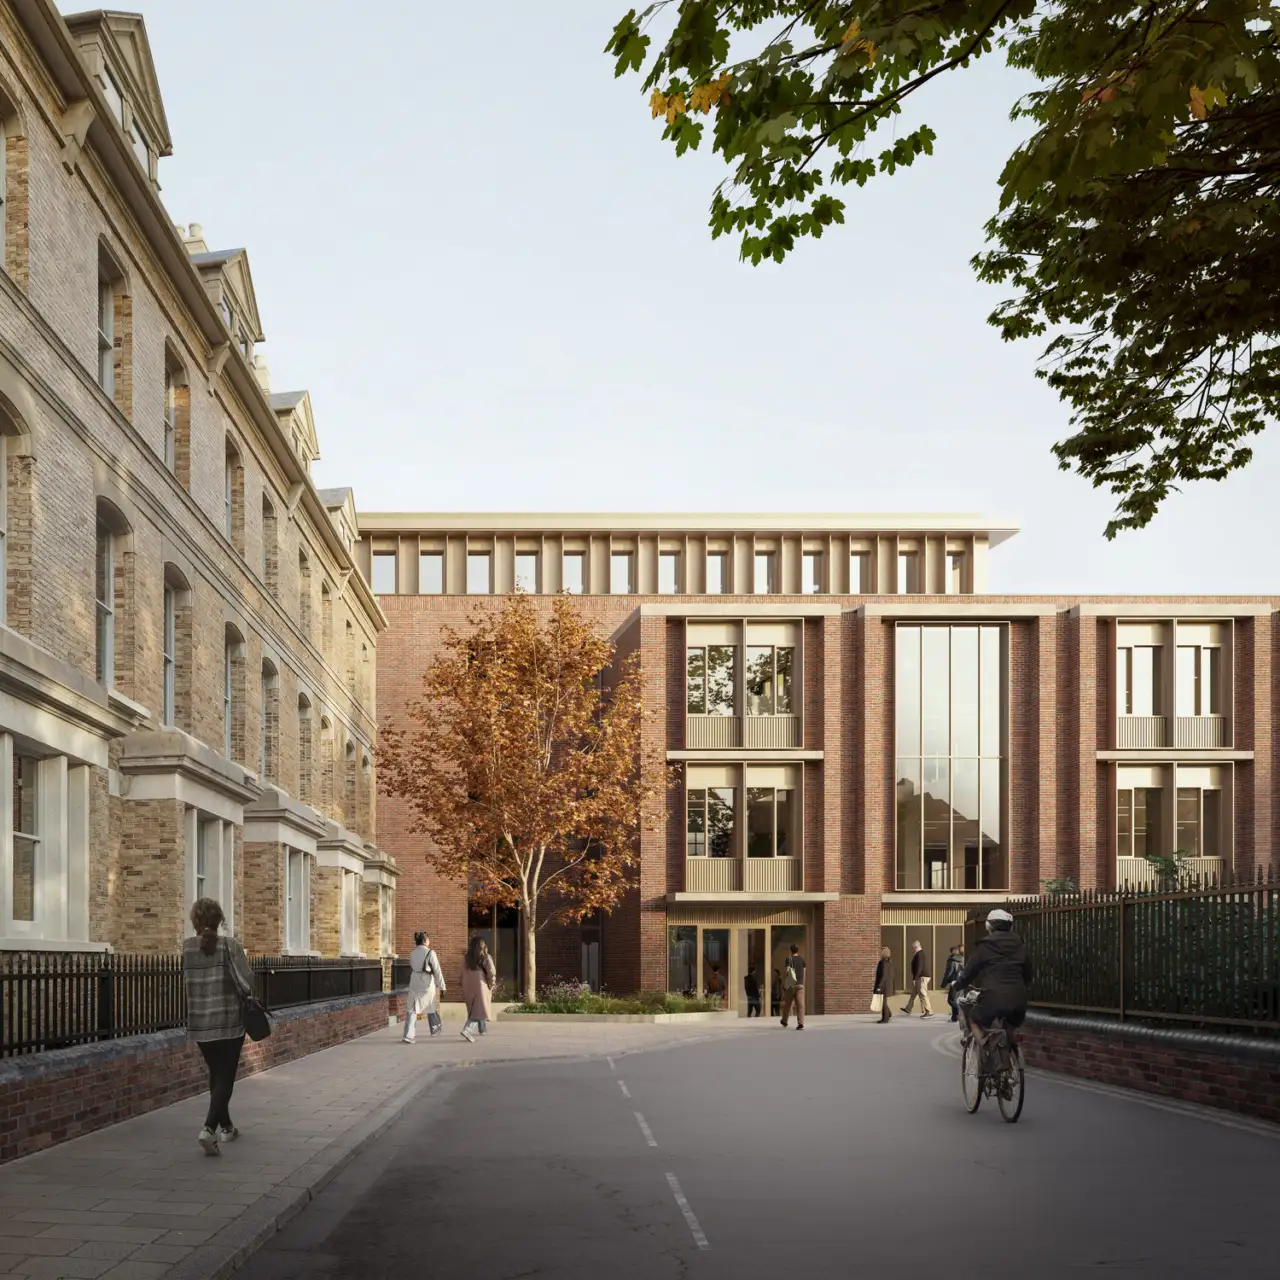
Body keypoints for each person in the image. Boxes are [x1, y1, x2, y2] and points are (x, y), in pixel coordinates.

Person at [182, 898, 255, 1157]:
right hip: (229, 1020)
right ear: (219, 919)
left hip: (200, 1022)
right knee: (225, 1076)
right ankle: (208, 1129)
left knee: (216, 1074)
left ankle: (227, 1127)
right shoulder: (230, 946)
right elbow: (247, 981)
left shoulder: (187, 948)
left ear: (195, 921)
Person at [953, 908, 1033, 1057]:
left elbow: (969, 973)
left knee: (974, 1018)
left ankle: (987, 1046)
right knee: (1010, 1026)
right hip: (1018, 999)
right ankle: (1009, 1058)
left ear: (988, 926)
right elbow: (1028, 974)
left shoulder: (985, 947)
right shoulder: (1020, 947)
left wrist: (957, 985)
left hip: (993, 997)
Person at [402, 931, 446, 1043]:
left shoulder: (412, 953)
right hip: (426, 981)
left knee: (412, 1008)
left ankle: (408, 1035)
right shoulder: (430, 952)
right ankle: (435, 1029)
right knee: (430, 1004)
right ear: (425, 940)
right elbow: (437, 970)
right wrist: (442, 986)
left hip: (414, 981)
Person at [460, 935, 495, 1043]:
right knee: (479, 1008)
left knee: (476, 1007)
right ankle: (467, 1030)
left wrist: (461, 983)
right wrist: (491, 984)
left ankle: (482, 1029)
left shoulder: (466, 958)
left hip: (468, 983)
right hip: (480, 983)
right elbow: (491, 972)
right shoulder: (485, 957)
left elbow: (461, 972)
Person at [901, 940, 934, 1018]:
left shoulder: (920, 954)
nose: (912, 949)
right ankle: (908, 1008)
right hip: (920, 976)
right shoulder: (918, 954)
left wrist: (915, 978)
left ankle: (929, 1011)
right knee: (913, 994)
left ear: (916, 947)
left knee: (922, 993)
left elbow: (919, 967)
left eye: (912, 948)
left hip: (922, 977)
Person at [779, 944, 806, 1030]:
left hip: (790, 985)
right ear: (798, 950)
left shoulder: (789, 959)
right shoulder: (802, 960)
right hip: (800, 985)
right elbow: (804, 973)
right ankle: (801, 1023)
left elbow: (787, 972)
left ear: (791, 951)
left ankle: (784, 1020)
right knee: (800, 1005)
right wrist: (803, 983)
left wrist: (784, 984)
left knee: (787, 1004)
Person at [942, 944, 965, 1023]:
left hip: (954, 981)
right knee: (955, 999)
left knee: (951, 1000)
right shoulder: (963, 959)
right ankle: (954, 1018)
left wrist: (944, 983)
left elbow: (949, 972)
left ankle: (959, 1012)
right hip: (961, 981)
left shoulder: (952, 960)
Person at [873, 947, 894, 1024]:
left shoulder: (883, 963)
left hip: (884, 985)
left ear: (883, 953)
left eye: (880, 952)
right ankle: (888, 1014)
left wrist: (879, 986)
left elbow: (884, 976)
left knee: (883, 1002)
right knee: (883, 1001)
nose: (879, 953)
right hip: (887, 985)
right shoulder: (889, 962)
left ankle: (885, 1018)